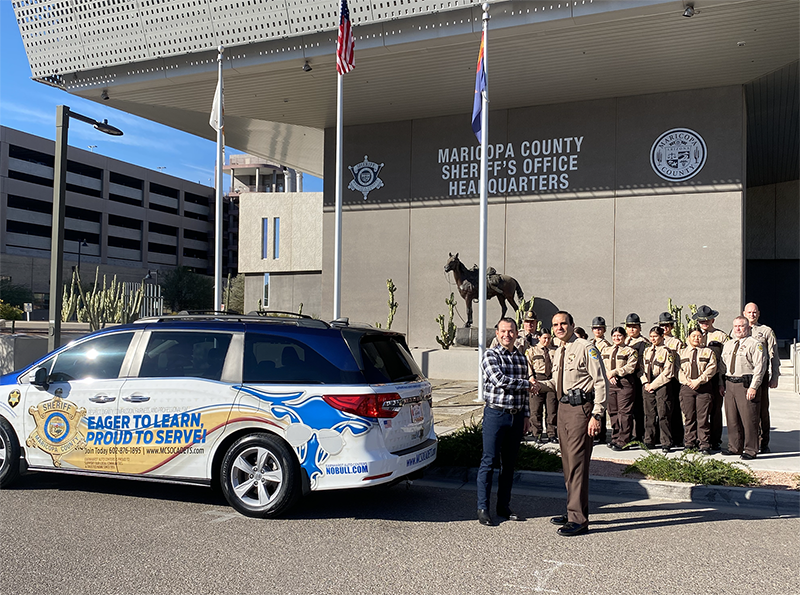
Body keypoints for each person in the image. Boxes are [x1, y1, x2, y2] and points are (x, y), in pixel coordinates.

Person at [536, 311, 608, 537]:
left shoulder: (586, 348)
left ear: (572, 324)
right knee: (567, 465)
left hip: (581, 412)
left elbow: (601, 382)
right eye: (555, 324)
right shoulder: (559, 351)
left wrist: (597, 415)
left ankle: (578, 520)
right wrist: (538, 385)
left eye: (563, 324)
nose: (559, 328)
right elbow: (557, 383)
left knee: (577, 465)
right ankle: (573, 510)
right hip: (563, 409)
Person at [477, 317, 533, 526]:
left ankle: (503, 506)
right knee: (489, 462)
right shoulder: (490, 356)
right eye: (503, 331)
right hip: (496, 415)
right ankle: (483, 508)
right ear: (497, 333)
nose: (507, 335)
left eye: (511, 331)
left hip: (516, 416)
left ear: (516, 334)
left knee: (508, 465)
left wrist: (526, 416)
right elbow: (499, 381)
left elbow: (524, 395)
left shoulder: (521, 358)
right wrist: (527, 384)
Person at [719, 316, 766, 460]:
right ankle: (735, 447)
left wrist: (754, 387)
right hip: (730, 384)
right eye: (736, 326)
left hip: (745, 385)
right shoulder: (728, 344)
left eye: (741, 326)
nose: (738, 329)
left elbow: (760, 367)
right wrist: (722, 384)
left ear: (748, 327)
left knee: (749, 418)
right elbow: (722, 365)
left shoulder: (755, 344)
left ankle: (751, 449)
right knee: (732, 418)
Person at [743, 302, 780, 453]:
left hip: (761, 376)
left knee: (762, 409)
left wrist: (775, 376)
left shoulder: (766, 331)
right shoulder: (738, 329)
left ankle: (763, 442)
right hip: (743, 375)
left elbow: (774, 355)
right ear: (744, 313)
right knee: (745, 409)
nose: (752, 315)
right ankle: (746, 440)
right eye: (749, 312)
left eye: (754, 312)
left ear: (758, 314)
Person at [693, 305, 729, 450]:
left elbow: (725, 360)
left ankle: (715, 440)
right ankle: (697, 439)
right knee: (698, 411)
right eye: (701, 321)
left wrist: (721, 382)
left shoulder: (721, 336)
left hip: (715, 378)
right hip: (696, 379)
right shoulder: (694, 335)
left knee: (715, 410)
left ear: (713, 320)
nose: (704, 324)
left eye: (707, 321)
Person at [678, 329, 718, 453]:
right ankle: (689, 442)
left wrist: (699, 381)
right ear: (688, 338)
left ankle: (704, 444)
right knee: (689, 417)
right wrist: (687, 381)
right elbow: (677, 369)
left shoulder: (708, 352)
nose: (696, 338)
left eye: (699, 336)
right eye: (693, 336)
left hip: (704, 388)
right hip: (687, 388)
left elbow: (712, 368)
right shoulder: (681, 353)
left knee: (703, 418)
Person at [601, 326, 638, 451]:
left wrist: (615, 372)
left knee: (624, 413)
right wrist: (608, 374)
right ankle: (615, 437)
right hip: (610, 383)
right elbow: (601, 365)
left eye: (619, 336)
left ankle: (624, 440)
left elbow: (630, 367)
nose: (616, 338)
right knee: (612, 412)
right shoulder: (606, 350)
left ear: (624, 337)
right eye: (614, 336)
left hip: (624, 383)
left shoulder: (630, 351)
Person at [641, 327, 677, 453]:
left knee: (663, 414)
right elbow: (641, 368)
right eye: (651, 336)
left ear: (662, 337)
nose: (653, 339)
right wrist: (645, 382)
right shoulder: (647, 351)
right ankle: (649, 440)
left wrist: (653, 385)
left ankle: (666, 442)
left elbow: (668, 372)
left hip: (661, 384)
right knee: (649, 414)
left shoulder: (667, 352)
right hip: (647, 384)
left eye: (655, 336)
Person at [658, 312, 685, 448]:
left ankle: (678, 437)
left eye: (667, 325)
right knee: (663, 411)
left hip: (673, 378)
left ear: (671, 327)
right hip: (659, 379)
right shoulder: (656, 340)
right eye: (662, 325)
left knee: (674, 410)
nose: (664, 328)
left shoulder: (676, 342)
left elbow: (680, 361)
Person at [526, 330, 558, 443]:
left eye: (549, 338)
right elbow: (528, 365)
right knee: (536, 409)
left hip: (551, 381)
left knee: (552, 410)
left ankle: (551, 434)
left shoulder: (555, 351)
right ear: (539, 337)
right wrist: (531, 378)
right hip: (537, 380)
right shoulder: (532, 351)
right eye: (544, 338)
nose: (547, 340)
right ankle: (537, 434)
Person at [624, 313, 650, 442]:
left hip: (638, 375)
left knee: (639, 407)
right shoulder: (624, 341)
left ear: (639, 328)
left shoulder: (644, 343)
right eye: (629, 327)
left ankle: (639, 434)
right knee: (628, 407)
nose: (631, 329)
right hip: (625, 377)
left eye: (634, 327)